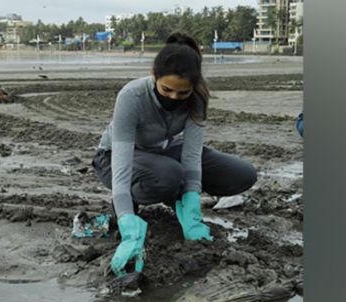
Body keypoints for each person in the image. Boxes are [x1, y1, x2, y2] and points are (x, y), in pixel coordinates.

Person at [91, 32, 257, 277]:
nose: (173, 98)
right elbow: (122, 161)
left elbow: (192, 155)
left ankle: (178, 200)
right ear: (154, 75)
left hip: (164, 151)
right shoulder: (132, 96)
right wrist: (126, 221)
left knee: (242, 174)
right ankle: (136, 202)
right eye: (167, 89)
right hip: (115, 157)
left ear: (194, 86)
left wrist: (192, 205)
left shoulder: (198, 98)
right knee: (168, 175)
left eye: (182, 93)